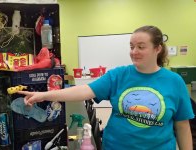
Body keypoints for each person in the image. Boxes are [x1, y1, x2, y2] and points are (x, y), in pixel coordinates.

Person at [18, 26, 194, 150]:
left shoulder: (174, 81)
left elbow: (183, 126)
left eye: (141, 47)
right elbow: (84, 90)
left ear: (157, 49)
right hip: (116, 146)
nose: (134, 52)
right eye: (132, 47)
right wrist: (44, 95)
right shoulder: (119, 75)